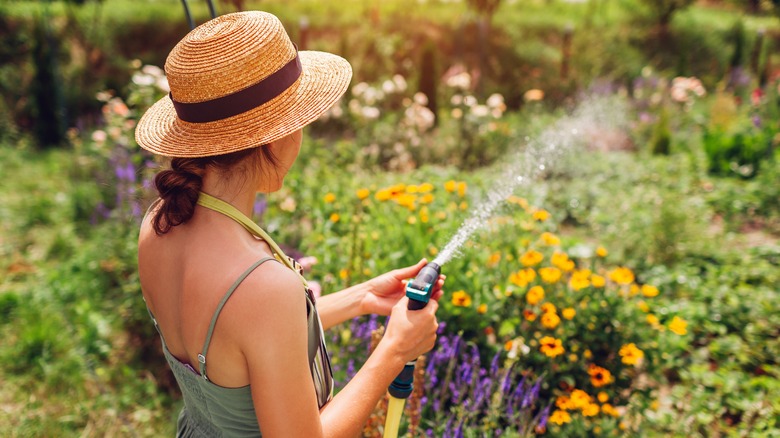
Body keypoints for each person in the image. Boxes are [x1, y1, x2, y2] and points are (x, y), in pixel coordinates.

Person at [134, 10, 444, 437]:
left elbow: (242, 343)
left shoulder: (158, 225)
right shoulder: (260, 285)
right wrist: (395, 349)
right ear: (276, 134)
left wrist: (363, 298)